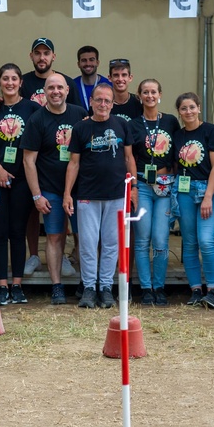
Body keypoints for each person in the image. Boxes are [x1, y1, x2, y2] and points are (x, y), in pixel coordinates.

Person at [64, 84, 138, 308]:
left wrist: (133, 186)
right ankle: (88, 287)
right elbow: (74, 163)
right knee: (87, 243)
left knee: (111, 243)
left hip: (116, 194)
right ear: (92, 102)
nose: (103, 104)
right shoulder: (80, 128)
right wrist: (67, 193)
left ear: (112, 103)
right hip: (87, 194)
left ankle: (105, 287)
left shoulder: (122, 125)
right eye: (99, 100)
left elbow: (128, 159)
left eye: (107, 100)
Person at [20, 74, 87, 304]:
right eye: (51, 88)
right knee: (55, 236)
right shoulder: (37, 120)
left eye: (60, 87)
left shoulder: (79, 114)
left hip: (80, 189)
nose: (56, 91)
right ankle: (56, 286)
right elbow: (28, 161)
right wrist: (37, 195)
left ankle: (86, 283)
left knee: (84, 237)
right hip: (50, 189)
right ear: (44, 91)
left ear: (67, 90)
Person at [0, 64, 41, 305]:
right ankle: (2, 285)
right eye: (5, 78)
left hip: (22, 180)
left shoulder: (33, 109)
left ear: (20, 82)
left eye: (14, 78)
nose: (10, 83)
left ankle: (17, 284)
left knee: (18, 232)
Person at [129, 78, 179, 306]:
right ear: (139, 96)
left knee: (160, 238)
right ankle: (146, 288)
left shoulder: (170, 121)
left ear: (160, 95)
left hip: (166, 186)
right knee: (142, 239)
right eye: (145, 92)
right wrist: (133, 187)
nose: (149, 96)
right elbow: (128, 157)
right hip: (142, 185)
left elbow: (179, 152)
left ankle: (159, 286)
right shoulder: (132, 124)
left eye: (153, 92)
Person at [172, 92, 214, 309]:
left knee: (206, 240)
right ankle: (195, 289)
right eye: (184, 108)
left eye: (192, 107)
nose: (188, 112)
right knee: (190, 243)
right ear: (179, 112)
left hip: (208, 190)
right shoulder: (177, 135)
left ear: (199, 108)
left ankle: (213, 290)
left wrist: (208, 197)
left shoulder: (211, 131)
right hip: (185, 190)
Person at [20, 37, 83, 108]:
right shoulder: (21, 83)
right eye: (37, 53)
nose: (41, 58)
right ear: (31, 56)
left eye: (46, 53)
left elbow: (78, 114)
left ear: (53, 56)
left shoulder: (67, 83)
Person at [73, 45, 111, 110]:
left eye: (91, 60)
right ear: (78, 64)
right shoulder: (72, 85)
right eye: (84, 60)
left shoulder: (109, 84)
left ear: (97, 63)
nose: (88, 63)